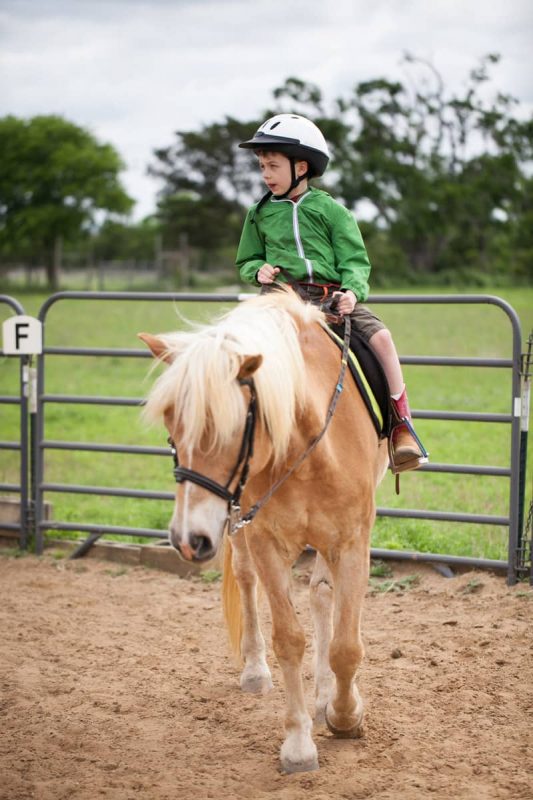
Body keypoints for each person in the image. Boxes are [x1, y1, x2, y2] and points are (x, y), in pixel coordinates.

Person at [235, 113, 428, 474]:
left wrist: (352, 292)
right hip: (279, 300)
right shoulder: (258, 214)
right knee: (236, 345)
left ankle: (402, 428)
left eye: (273, 166)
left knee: (382, 339)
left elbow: (356, 261)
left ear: (301, 166)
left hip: (331, 299)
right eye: (262, 166)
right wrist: (256, 270)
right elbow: (247, 259)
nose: (266, 175)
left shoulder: (333, 212)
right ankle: (234, 426)